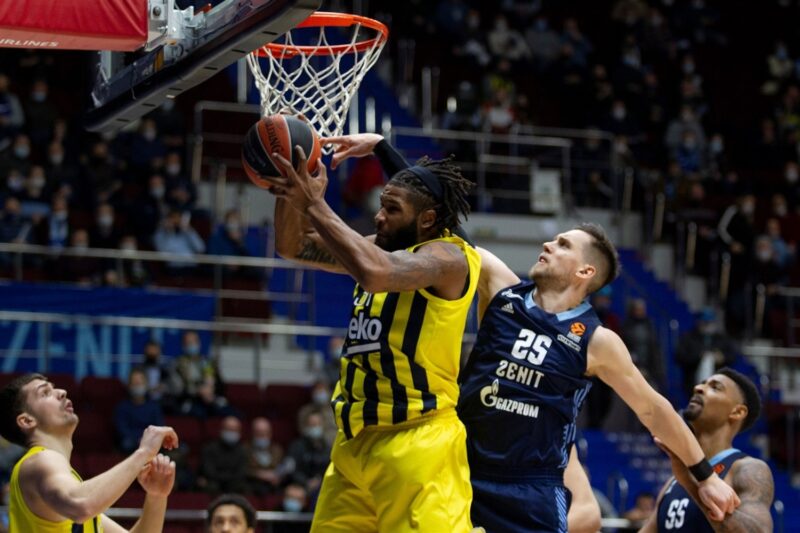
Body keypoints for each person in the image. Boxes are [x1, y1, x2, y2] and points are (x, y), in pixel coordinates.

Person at [456, 224, 740, 532]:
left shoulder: (596, 340)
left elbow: (653, 409)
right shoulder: (502, 287)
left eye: (563, 244)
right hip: (459, 466)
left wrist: (706, 477)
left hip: (529, 490)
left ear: (585, 271)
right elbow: (452, 237)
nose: (548, 244)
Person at [263, 132, 480, 531]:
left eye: (392, 209)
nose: (379, 216)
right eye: (381, 205)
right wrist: (289, 184)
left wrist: (314, 203)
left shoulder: (449, 259)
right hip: (353, 444)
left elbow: (376, 274)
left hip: (418, 442)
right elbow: (294, 246)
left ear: (427, 219)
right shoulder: (379, 248)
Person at [0, 373, 178, 532]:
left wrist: (156, 496)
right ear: (26, 421)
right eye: (45, 393)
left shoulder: (71, 490)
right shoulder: (38, 461)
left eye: (54, 388)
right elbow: (81, 505)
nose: (61, 392)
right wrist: (144, 452)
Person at [640, 368, 774, 532]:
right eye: (702, 383)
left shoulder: (747, 468)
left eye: (715, 387)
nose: (698, 388)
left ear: (737, 412)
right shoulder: (673, 481)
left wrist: (690, 481)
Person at [113, 367, 165, 454]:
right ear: (129, 385)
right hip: (131, 441)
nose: (137, 386)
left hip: (150, 441)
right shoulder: (122, 407)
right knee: (126, 443)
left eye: (140, 383)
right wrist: (139, 439)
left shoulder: (154, 407)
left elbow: (159, 426)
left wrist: (147, 439)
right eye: (135, 383)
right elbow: (122, 429)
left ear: (146, 384)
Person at [197, 415, 249, 494]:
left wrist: (227, 478)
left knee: (242, 486)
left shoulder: (242, 450)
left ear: (240, 432)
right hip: (214, 483)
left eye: (234, 430)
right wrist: (226, 477)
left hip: (234, 484)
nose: (231, 433)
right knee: (210, 486)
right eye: (229, 429)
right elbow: (209, 471)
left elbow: (241, 473)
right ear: (221, 430)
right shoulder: (210, 448)